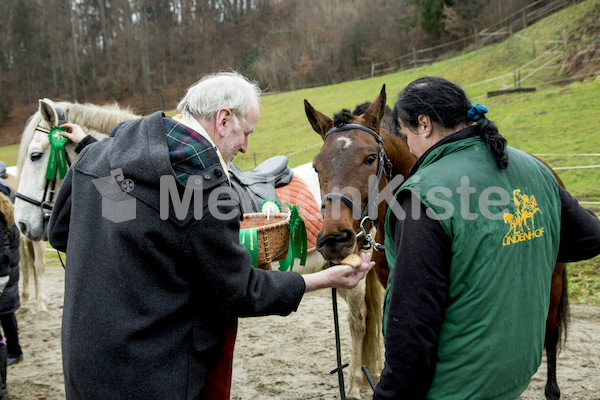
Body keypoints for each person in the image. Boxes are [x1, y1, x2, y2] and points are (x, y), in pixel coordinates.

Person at [47, 71, 374, 400]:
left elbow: (62, 231)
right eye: (245, 133)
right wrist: (324, 279)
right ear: (223, 120)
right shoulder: (201, 186)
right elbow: (238, 291)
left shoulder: (101, 157)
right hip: (153, 377)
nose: (246, 146)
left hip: (85, 369)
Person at [375, 76, 600, 399]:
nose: (408, 146)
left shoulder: (425, 194)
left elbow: (411, 325)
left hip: (454, 386)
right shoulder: (532, 167)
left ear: (424, 124)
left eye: (407, 134)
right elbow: (591, 237)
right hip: (513, 374)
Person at [0, 179, 21, 399]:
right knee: (6, 315)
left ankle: (15, 351)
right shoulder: (7, 204)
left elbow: (2, 250)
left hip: (3, 275)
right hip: (7, 271)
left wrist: (2, 277)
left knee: (6, 315)